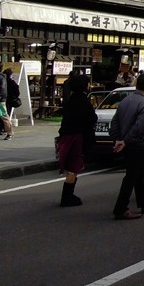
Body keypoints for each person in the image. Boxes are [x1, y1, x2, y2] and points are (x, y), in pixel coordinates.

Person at [109, 73, 144, 220]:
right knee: (132, 176)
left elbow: (115, 122)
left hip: (128, 142)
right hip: (138, 143)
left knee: (139, 173)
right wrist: (124, 141)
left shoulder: (126, 100)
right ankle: (120, 208)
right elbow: (140, 126)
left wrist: (118, 139)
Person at [56, 74, 97, 206]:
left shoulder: (70, 100)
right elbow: (92, 118)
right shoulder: (84, 101)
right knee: (74, 166)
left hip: (66, 135)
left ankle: (68, 195)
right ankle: (67, 196)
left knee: (71, 165)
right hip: (76, 137)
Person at [0, 67, 21, 135]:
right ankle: (5, 129)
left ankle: (0, 128)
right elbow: (17, 92)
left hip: (1, 99)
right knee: (6, 115)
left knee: (1, 114)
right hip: (9, 100)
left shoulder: (1, 81)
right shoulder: (12, 82)